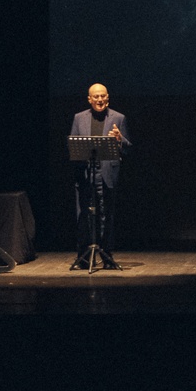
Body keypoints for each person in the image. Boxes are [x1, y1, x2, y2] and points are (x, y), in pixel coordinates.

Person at [69, 83, 131, 269]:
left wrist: (120, 139)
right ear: (89, 99)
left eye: (103, 96)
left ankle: (107, 256)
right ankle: (84, 257)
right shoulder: (79, 118)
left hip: (106, 174)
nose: (99, 99)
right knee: (84, 215)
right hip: (86, 174)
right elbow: (72, 145)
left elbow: (127, 148)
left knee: (106, 215)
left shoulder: (118, 118)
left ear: (108, 98)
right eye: (96, 96)